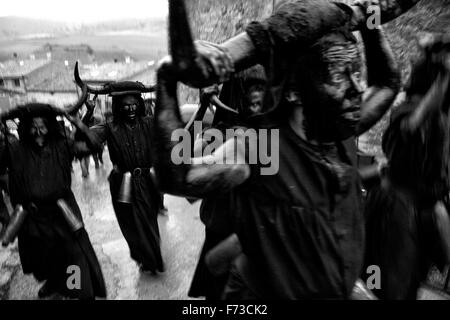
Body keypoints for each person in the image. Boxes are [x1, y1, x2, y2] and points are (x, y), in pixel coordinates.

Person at [154, 0, 400, 299]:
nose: (358, 88)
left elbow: (387, 83)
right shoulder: (262, 148)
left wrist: (370, 18)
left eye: (357, 72)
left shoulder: (341, 130)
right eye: (339, 75)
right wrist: (166, 81)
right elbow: (179, 177)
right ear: (295, 90)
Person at [363, 33, 450, 299]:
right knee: (383, 286)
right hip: (395, 209)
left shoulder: (444, 117)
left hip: (425, 208)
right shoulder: (407, 108)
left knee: (410, 283)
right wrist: (443, 78)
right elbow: (412, 127)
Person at [0, 103, 106, 300]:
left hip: (62, 212)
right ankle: (55, 283)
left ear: (50, 127)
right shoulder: (15, 150)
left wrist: (78, 123)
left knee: (74, 254)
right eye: (33, 127)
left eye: (42, 126)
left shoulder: (63, 145)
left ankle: (77, 291)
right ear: (25, 129)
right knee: (43, 259)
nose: (38, 132)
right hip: (32, 217)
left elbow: (95, 145)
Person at [188, 68, 266, 300]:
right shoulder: (216, 135)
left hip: (261, 238)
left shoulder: (274, 134)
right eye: (253, 88)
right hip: (221, 233)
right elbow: (181, 165)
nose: (258, 97)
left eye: (262, 88)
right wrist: (202, 108)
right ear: (237, 95)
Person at [87, 84, 165, 274]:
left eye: (133, 105)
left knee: (149, 222)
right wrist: (88, 113)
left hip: (147, 181)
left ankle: (152, 259)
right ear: (117, 108)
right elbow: (87, 138)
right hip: (123, 181)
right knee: (131, 225)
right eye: (125, 106)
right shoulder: (110, 127)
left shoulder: (149, 122)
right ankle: (142, 257)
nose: (130, 110)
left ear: (139, 105)